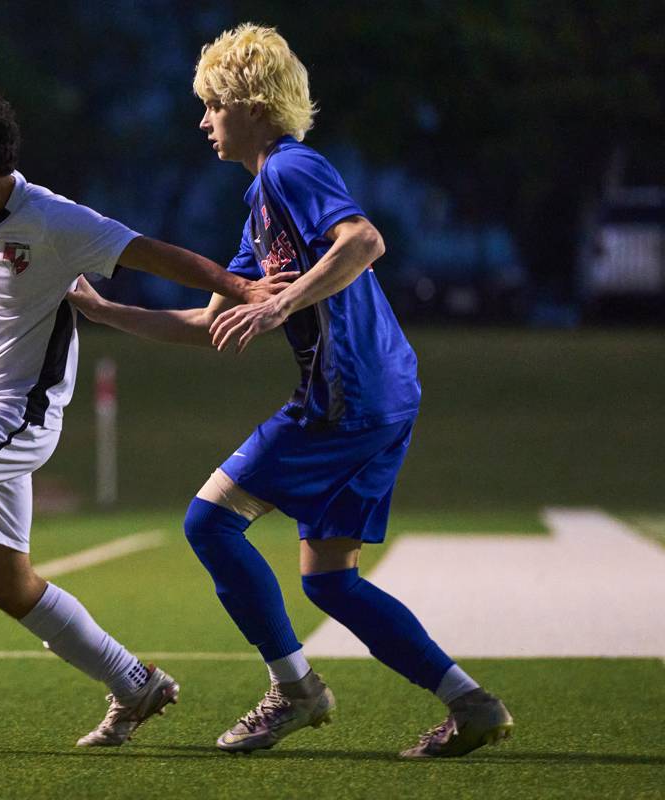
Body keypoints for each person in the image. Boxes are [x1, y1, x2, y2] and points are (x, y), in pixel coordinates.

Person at [68, 23, 513, 758]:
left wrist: (281, 304)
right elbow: (208, 321)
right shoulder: (261, 202)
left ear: (249, 103)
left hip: (349, 396)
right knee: (331, 583)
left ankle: (297, 691)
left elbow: (364, 242)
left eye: (212, 104)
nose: (203, 120)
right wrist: (103, 310)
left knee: (209, 523)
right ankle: (471, 703)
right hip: (383, 391)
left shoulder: (290, 170)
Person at [0, 83, 285, 746]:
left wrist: (239, 286)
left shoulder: (54, 221)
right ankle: (136, 683)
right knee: (6, 584)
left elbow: (152, 253)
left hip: (18, 413)